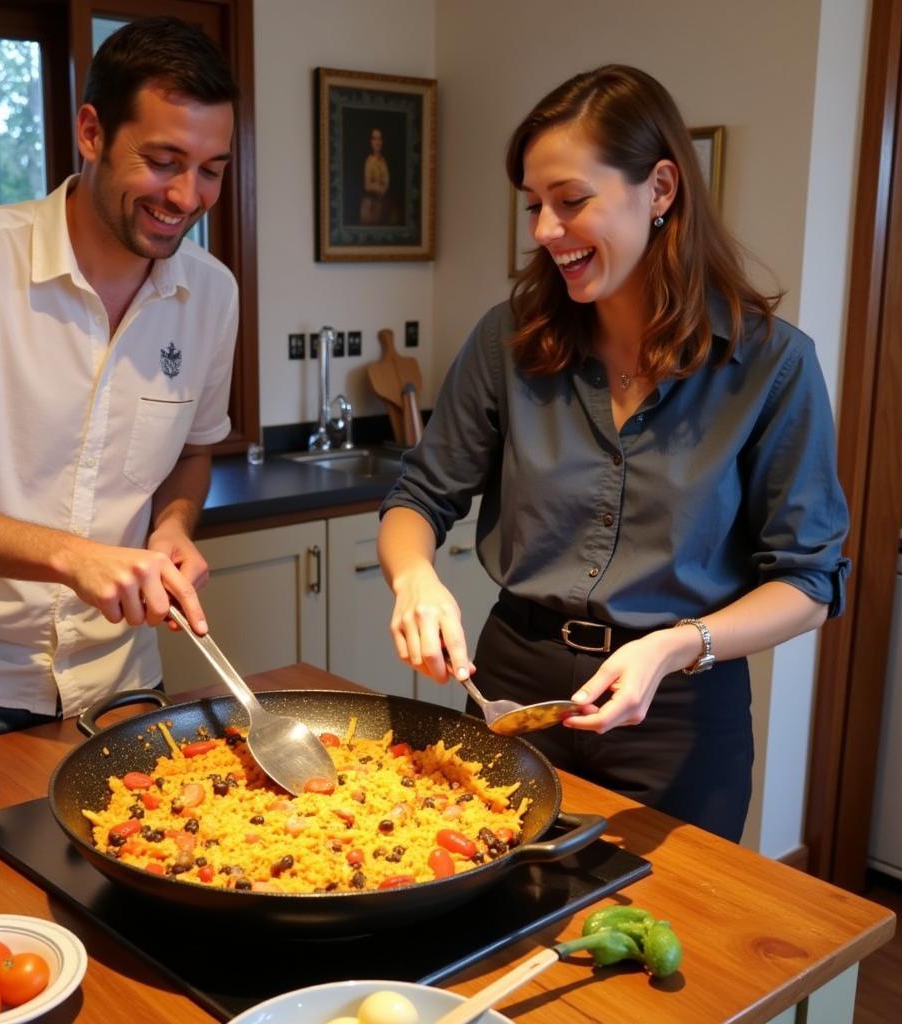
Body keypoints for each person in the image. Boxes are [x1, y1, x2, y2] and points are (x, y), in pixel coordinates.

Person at [377, 65, 849, 843]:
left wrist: (675, 646)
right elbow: (419, 498)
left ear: (660, 188)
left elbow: (810, 580)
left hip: (676, 711)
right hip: (509, 688)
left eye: (571, 201)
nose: (543, 232)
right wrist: (415, 576)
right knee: (488, 909)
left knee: (658, 936)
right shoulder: (509, 338)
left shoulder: (772, 366)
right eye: (535, 207)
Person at [0, 16, 239, 734]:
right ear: (92, 132)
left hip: (123, 680)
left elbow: (192, 452)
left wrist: (172, 527)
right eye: (164, 160)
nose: (187, 197)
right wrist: (71, 558)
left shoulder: (212, 293)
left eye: (211, 169)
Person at [360, 127, 391, 225]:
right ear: (371, 142)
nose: (377, 142)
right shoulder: (369, 161)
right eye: (374, 139)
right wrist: (378, 186)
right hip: (372, 206)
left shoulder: (384, 161)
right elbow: (367, 185)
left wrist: (378, 185)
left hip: (384, 204)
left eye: (379, 139)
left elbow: (386, 185)